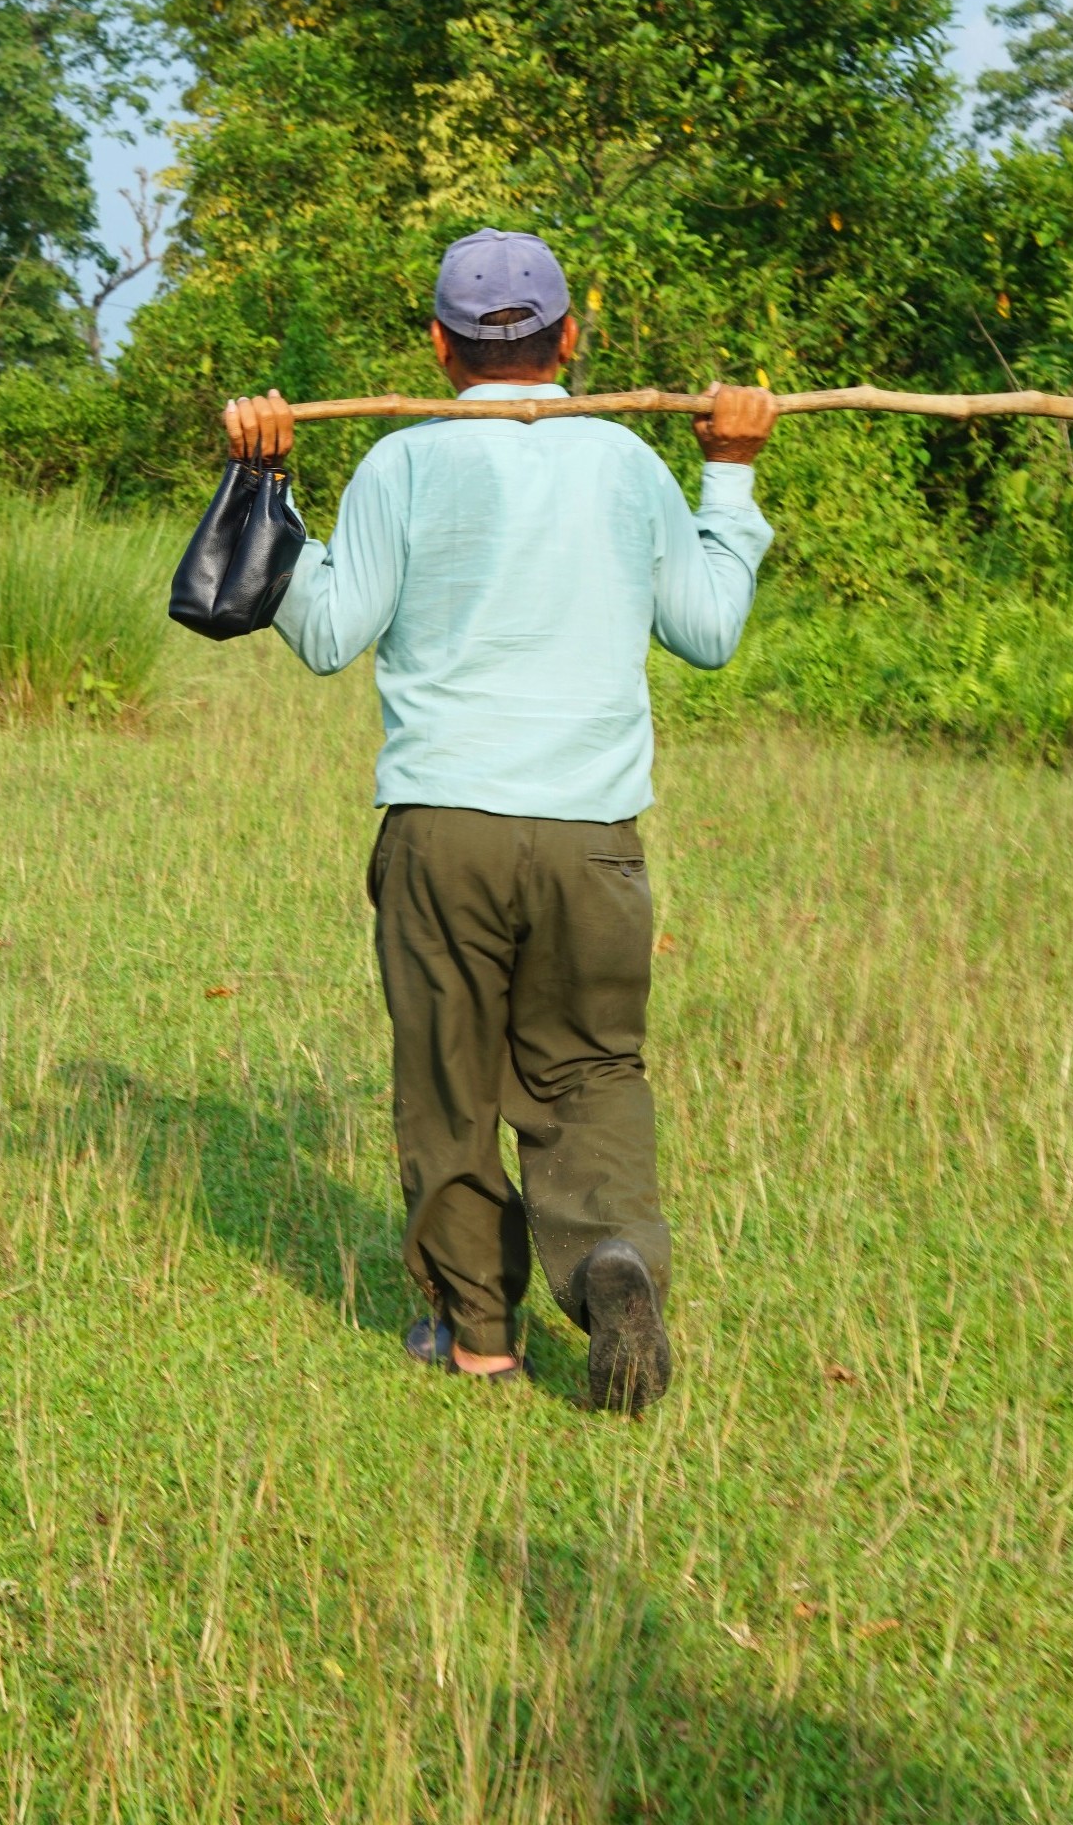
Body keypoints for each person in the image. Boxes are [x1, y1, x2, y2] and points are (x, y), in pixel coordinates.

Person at [223, 228, 776, 1411]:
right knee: (589, 1068)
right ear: (571, 340)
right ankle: (612, 1255)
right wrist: (727, 466)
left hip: (441, 825)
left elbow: (325, 633)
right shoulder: (628, 463)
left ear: (440, 346)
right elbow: (708, 629)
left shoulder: (401, 465)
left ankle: (479, 1336)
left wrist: (270, 490)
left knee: (449, 1079)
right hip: (591, 832)